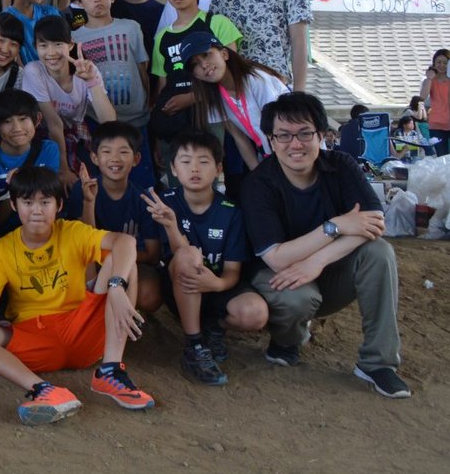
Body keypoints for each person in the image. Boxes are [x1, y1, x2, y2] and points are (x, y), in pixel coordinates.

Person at [0, 165, 153, 426]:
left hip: (82, 328)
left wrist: (116, 287)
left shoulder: (72, 231)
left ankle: (110, 370)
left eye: (45, 202)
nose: (36, 210)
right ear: (13, 205)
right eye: (27, 202)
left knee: (124, 261)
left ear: (59, 205)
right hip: (35, 339)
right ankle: (44, 389)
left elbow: (125, 242)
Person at [242, 92, 408, 397]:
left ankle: (378, 363)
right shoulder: (258, 184)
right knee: (296, 300)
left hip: (328, 270)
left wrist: (316, 261)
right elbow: (276, 258)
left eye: (305, 133)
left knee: (379, 252)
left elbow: (373, 222)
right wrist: (336, 226)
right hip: (281, 277)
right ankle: (287, 339)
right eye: (284, 135)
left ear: (321, 135)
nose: (295, 144)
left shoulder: (340, 165)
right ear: (271, 141)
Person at [142, 129, 268, 386]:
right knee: (188, 255)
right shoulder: (165, 203)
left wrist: (217, 284)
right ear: (173, 168)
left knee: (255, 313)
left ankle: (213, 326)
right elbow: (177, 255)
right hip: (180, 287)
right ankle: (195, 346)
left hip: (216, 287)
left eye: (203, 161)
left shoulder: (231, 211)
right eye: (185, 161)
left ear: (218, 168)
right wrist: (171, 225)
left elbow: (232, 271)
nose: (194, 168)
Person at [148, 0, 242, 171]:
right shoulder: (162, 37)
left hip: (212, 115)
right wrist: (157, 135)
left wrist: (192, 98)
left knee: (211, 175)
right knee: (177, 177)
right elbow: (162, 85)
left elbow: (234, 74)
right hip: (174, 120)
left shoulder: (216, 23)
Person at [65, 122, 162, 311]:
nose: (115, 159)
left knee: (149, 295)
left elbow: (153, 255)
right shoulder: (82, 190)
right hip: (91, 263)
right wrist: (89, 202)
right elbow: (81, 242)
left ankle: (126, 313)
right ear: (94, 157)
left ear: (136, 159)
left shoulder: (143, 199)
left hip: (131, 264)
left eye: (123, 152)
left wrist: (119, 258)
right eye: (107, 151)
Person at [21, 15, 116, 182]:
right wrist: (63, 169)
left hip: (75, 131)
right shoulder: (33, 71)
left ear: (70, 45)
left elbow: (109, 121)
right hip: (44, 134)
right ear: (35, 47)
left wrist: (91, 81)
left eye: (58, 44)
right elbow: (54, 124)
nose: (51, 53)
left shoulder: (86, 69)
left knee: (92, 176)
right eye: (43, 45)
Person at [188, 35, 290, 177]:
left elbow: (281, 126)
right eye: (195, 64)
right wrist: (259, 176)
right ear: (196, 76)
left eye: (206, 55)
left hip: (291, 149)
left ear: (224, 54)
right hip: (268, 157)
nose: (204, 65)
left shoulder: (256, 79)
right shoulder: (213, 97)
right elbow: (239, 138)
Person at [70, 0, 148, 128]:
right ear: (79, 2)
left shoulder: (131, 27)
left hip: (137, 118)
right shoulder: (74, 39)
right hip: (97, 119)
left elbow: (142, 68)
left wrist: (148, 101)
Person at [0, 89, 62, 224]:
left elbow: (48, 202)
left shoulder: (49, 151)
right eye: (7, 121)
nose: (17, 128)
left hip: (40, 224)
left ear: (37, 119)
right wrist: (16, 188)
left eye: (23, 119)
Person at [420, 48, 450, 153]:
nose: (442, 65)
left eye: (445, 63)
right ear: (434, 63)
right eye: (438, 62)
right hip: (437, 124)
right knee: (441, 156)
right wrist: (429, 78)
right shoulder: (430, 80)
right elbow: (422, 97)